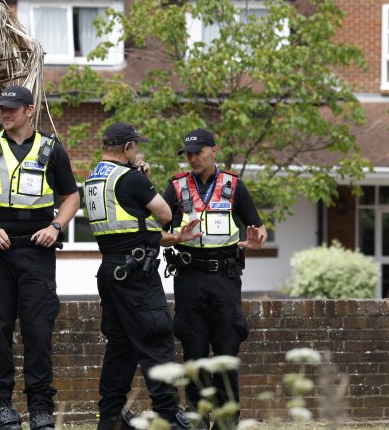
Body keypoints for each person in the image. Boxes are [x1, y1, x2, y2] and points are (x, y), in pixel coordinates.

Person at [0, 85, 80, 430]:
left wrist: (56, 227)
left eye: (11, 109)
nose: (4, 114)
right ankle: (2, 406)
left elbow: (71, 197)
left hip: (37, 253)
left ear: (30, 110)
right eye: (1, 110)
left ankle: (41, 408)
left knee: (39, 331)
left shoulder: (52, 150)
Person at [84, 122, 200, 430]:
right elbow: (164, 215)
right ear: (127, 148)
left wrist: (174, 239)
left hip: (111, 271)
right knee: (156, 339)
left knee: (120, 347)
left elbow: (134, 228)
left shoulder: (94, 180)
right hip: (136, 275)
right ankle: (169, 416)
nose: (138, 153)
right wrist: (142, 177)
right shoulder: (130, 178)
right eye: (136, 148)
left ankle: (109, 418)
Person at [162, 129, 267, 428]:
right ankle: (196, 419)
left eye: (199, 152)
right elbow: (157, 234)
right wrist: (175, 236)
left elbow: (258, 227)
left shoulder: (234, 186)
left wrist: (259, 239)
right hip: (189, 276)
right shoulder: (176, 186)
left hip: (225, 277)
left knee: (225, 349)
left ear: (214, 151)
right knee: (193, 352)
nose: (193, 158)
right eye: (189, 154)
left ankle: (227, 420)